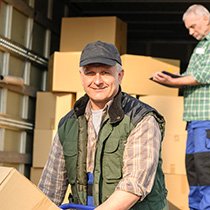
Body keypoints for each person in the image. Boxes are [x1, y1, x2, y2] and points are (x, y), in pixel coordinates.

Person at [38, 40, 168, 210]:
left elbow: (134, 185)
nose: (97, 81)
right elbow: (50, 188)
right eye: (90, 73)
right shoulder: (68, 123)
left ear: (119, 75)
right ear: (81, 76)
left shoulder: (141, 119)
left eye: (105, 73)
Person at [152, 4, 210, 210]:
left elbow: (203, 75)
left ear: (206, 19)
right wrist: (172, 77)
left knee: (206, 171)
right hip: (194, 120)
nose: (190, 32)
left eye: (193, 26)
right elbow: (190, 74)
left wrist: (172, 82)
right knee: (194, 170)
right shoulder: (201, 46)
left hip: (207, 119)